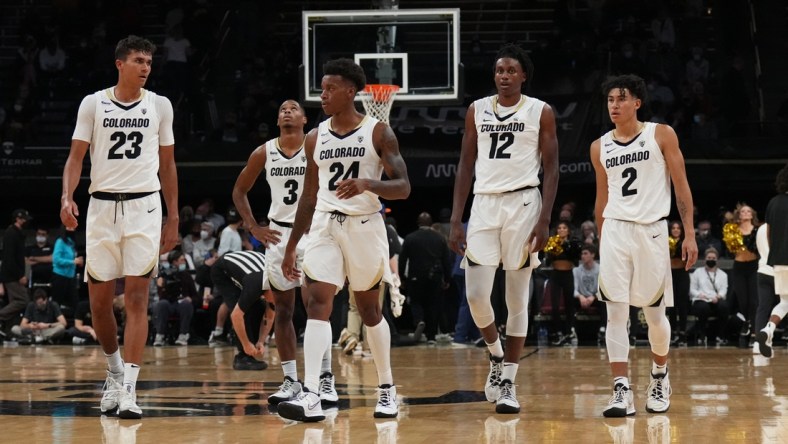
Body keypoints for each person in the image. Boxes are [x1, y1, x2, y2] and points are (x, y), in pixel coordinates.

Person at [279, 58, 411, 422]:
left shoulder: (378, 132)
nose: (322, 95)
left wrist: (369, 184)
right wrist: (291, 246)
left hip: (365, 225)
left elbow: (403, 187)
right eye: (321, 89)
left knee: (369, 310)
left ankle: (386, 389)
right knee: (318, 302)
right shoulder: (314, 136)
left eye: (330, 89)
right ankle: (311, 393)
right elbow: (308, 196)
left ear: (351, 92)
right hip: (324, 225)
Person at [60, 35, 179, 419]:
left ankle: (129, 389)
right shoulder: (93, 103)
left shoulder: (159, 105)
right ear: (119, 64)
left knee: (137, 300)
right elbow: (76, 158)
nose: (146, 67)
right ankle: (113, 371)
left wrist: (173, 214)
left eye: (149, 61)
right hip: (101, 207)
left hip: (144, 206)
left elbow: (168, 164)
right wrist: (67, 196)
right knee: (98, 305)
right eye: (139, 60)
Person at [449, 43, 559, 414]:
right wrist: (455, 218)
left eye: (511, 71)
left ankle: (509, 381)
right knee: (477, 295)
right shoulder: (476, 110)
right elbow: (465, 164)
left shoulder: (540, 111)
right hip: (484, 203)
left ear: (523, 75)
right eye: (499, 71)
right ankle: (496, 355)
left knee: (516, 295)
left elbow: (553, 168)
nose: (505, 76)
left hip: (524, 203)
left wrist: (545, 219)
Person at [590, 74, 697, 417]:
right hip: (616, 231)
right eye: (610, 100)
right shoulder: (599, 146)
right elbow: (601, 198)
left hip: (652, 230)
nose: (615, 105)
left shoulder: (660, 134)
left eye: (621, 98)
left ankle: (659, 376)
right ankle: (621, 390)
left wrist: (690, 233)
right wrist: (602, 234)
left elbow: (682, 187)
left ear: (637, 102)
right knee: (616, 313)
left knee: (653, 314)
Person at [231, 99, 337, 404]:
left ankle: (325, 379)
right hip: (277, 235)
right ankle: (291, 379)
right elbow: (239, 191)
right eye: (281, 109)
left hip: (312, 232)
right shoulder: (263, 152)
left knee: (317, 308)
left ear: (305, 119)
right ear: (278, 120)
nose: (286, 111)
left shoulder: (316, 146)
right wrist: (253, 227)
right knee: (283, 310)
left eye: (293, 108)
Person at [209, 249, 269, 370]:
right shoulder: (255, 284)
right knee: (242, 310)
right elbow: (236, 316)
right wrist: (246, 344)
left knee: (259, 308)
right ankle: (243, 357)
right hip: (222, 271)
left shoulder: (278, 288)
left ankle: (250, 349)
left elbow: (270, 316)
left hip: (247, 270)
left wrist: (261, 341)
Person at [398, 212, 453, 345]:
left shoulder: (410, 238)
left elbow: (402, 259)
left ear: (418, 223)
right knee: (433, 305)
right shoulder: (440, 238)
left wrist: (401, 278)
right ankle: (431, 337)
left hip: (415, 276)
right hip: (435, 276)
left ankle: (419, 320)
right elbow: (447, 260)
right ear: (431, 223)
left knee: (416, 301)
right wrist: (447, 278)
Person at [756, 163, 788, 358]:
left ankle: (768, 330)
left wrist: (776, 253)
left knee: (785, 302)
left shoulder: (773, 202)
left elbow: (769, 233)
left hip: (778, 261)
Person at [545, 221, 582, 346]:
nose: (561, 230)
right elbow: (547, 262)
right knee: (555, 305)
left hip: (568, 274)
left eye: (564, 228)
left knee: (569, 305)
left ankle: (569, 331)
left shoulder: (573, 243)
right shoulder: (552, 242)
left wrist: (568, 247)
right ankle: (557, 332)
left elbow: (576, 261)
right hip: (555, 275)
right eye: (559, 228)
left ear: (568, 230)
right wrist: (552, 251)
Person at [152, 250, 196, 346]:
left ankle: (183, 335)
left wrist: (190, 299)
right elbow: (161, 296)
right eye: (182, 260)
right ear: (174, 262)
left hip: (182, 304)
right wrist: (161, 287)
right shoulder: (165, 275)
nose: (184, 262)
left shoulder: (186, 275)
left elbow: (195, 295)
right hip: (169, 303)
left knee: (186, 304)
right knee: (162, 304)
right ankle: (160, 335)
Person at [1, 209, 32, 336]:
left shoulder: (17, 233)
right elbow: (9, 258)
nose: (26, 221)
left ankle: (6, 330)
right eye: (24, 219)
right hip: (11, 276)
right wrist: (20, 276)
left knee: (14, 303)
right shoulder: (11, 233)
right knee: (23, 300)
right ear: (18, 219)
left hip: (13, 275)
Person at [689, 247, 729, 345]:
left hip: (716, 299)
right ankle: (702, 335)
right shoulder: (697, 272)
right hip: (701, 299)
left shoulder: (723, 275)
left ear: (717, 260)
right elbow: (692, 289)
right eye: (709, 257)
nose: (711, 260)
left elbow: (724, 290)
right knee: (703, 308)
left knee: (724, 307)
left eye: (713, 258)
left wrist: (718, 297)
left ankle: (721, 335)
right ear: (705, 259)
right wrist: (700, 295)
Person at [573, 244, 605, 342]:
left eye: (585, 253)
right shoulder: (576, 270)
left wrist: (593, 297)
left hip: (595, 297)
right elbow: (574, 289)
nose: (583, 256)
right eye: (582, 254)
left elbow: (602, 289)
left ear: (593, 255)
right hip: (581, 298)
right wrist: (580, 297)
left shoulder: (600, 269)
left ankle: (603, 328)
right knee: (570, 300)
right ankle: (571, 330)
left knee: (604, 301)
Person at [668, 220, 691, 345]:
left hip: (683, 274)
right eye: (673, 228)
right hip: (670, 274)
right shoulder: (665, 241)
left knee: (682, 304)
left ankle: (682, 332)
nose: (676, 230)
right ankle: (671, 333)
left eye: (678, 228)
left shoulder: (686, 242)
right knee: (671, 305)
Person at [51, 226, 84, 311]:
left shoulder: (71, 243)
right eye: (69, 227)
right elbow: (56, 259)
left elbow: (73, 257)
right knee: (57, 301)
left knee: (75, 301)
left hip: (71, 275)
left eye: (73, 227)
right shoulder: (60, 241)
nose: (72, 229)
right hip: (60, 275)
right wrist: (72, 262)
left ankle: (77, 322)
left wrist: (78, 261)